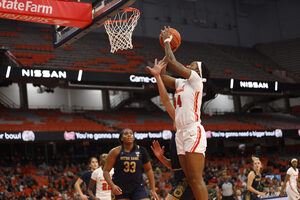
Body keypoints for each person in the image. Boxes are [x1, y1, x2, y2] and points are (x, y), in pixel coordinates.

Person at [160, 26, 208, 200]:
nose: (190, 65)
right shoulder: (181, 83)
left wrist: (167, 42)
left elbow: (174, 63)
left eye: (194, 65)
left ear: (198, 72)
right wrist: (167, 52)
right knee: (189, 179)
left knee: (196, 179)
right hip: (180, 133)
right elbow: (164, 76)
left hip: (192, 130)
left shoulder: (196, 81)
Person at [147, 58, 194, 200]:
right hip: (180, 179)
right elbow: (175, 167)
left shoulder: (186, 123)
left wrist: (158, 77)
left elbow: (166, 101)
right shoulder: (178, 121)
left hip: (187, 181)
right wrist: (162, 158)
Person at [103, 129, 159, 200]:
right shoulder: (115, 151)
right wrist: (112, 185)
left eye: (131, 134)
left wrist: (153, 190)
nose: (129, 135)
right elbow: (106, 171)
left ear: (134, 137)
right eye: (126, 134)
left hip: (137, 187)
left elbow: (149, 169)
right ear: (121, 138)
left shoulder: (141, 150)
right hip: (120, 187)